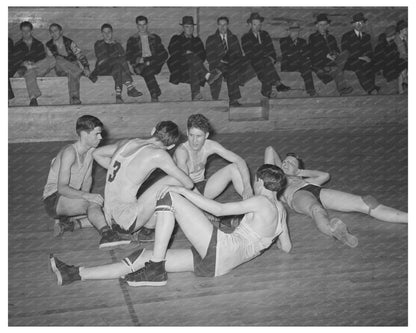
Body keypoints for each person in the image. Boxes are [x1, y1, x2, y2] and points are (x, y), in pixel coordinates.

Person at [50, 164, 292, 286]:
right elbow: (286, 247)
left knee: (170, 197)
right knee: (141, 255)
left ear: (260, 182)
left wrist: (180, 189)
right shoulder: (281, 212)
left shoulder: (260, 201)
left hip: (223, 250)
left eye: (255, 180)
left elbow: (217, 209)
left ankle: (155, 268)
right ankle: (75, 273)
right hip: (222, 265)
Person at [264, 146, 408, 248]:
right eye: (285, 161)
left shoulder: (307, 180)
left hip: (314, 189)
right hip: (296, 196)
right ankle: (334, 231)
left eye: (291, 162)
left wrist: (299, 171)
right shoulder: (277, 180)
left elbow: (325, 176)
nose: (286, 163)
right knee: (316, 209)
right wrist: (280, 167)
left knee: (366, 202)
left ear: (298, 169)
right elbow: (270, 149)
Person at [91, 121, 194, 236]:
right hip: (127, 223)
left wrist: (120, 172)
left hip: (110, 218)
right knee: (174, 180)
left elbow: (96, 153)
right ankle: (149, 228)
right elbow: (188, 184)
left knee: (150, 181)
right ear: (170, 146)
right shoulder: (159, 155)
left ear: (153, 130)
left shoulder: (127, 142)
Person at [42, 115, 130, 249]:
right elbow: (62, 188)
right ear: (84, 134)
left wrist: (85, 202)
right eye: (97, 134)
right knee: (93, 203)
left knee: (111, 209)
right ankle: (107, 235)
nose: (100, 137)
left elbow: (87, 179)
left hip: (70, 197)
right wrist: (87, 199)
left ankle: (70, 224)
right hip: (53, 199)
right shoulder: (69, 152)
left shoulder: (91, 151)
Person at [174, 114, 253, 200]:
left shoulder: (210, 146)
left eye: (198, 136)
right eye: (191, 135)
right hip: (183, 193)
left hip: (202, 187)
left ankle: (250, 202)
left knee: (234, 168)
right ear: (187, 133)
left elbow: (239, 160)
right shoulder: (182, 152)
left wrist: (247, 186)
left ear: (206, 135)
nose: (194, 141)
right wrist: (205, 204)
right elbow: (184, 184)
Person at [167, 16, 222, 101]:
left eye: (191, 27)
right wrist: (186, 53)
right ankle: (207, 75)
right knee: (191, 58)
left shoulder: (197, 40)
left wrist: (192, 56)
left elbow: (203, 55)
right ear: (183, 27)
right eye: (187, 26)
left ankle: (196, 94)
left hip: (194, 69)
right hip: (180, 68)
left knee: (193, 65)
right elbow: (172, 51)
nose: (189, 29)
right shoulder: (176, 38)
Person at [241, 12, 290, 99]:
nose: (257, 27)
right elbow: (250, 53)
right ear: (249, 25)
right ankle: (277, 83)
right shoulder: (245, 37)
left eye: (259, 25)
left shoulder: (265, 34)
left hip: (266, 62)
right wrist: (264, 56)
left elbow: (271, 48)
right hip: (253, 61)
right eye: (255, 25)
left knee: (266, 65)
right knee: (265, 62)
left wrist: (272, 57)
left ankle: (267, 92)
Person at [90, 23, 142, 104]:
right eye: (104, 32)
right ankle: (130, 87)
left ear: (112, 32)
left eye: (109, 32)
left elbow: (123, 57)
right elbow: (102, 57)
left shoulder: (117, 44)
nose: (107, 34)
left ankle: (118, 95)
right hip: (102, 68)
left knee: (118, 66)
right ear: (102, 33)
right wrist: (115, 52)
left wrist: (115, 47)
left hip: (114, 69)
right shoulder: (98, 43)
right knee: (117, 61)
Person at [45, 23, 93, 105]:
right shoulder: (48, 45)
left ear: (61, 32)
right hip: (60, 68)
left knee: (72, 72)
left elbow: (80, 55)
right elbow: (51, 61)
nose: (53, 33)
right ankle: (80, 72)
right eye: (51, 31)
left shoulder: (69, 42)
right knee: (57, 59)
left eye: (55, 31)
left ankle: (75, 99)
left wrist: (86, 67)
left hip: (73, 66)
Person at [126, 15, 168, 102]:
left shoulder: (154, 38)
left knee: (148, 68)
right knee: (147, 70)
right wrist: (137, 59)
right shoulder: (132, 39)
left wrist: (151, 60)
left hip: (154, 64)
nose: (142, 27)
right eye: (140, 25)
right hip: (141, 65)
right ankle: (155, 93)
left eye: (144, 24)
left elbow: (164, 54)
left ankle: (155, 93)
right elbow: (128, 55)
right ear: (137, 26)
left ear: (147, 25)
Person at [308, 14, 353, 96]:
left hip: (333, 61)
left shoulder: (331, 37)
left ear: (328, 25)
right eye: (320, 25)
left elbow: (336, 49)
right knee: (337, 69)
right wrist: (326, 55)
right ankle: (342, 88)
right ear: (317, 26)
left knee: (346, 52)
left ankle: (333, 68)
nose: (323, 27)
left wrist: (335, 54)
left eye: (325, 24)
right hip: (320, 62)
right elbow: (313, 52)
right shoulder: (313, 37)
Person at [11, 21, 54, 106]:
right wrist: (24, 63)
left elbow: (43, 59)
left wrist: (33, 64)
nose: (26, 33)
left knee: (52, 59)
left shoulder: (38, 44)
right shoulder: (17, 45)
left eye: (28, 31)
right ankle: (33, 98)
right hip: (26, 70)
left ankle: (30, 67)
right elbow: (15, 61)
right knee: (29, 72)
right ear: (21, 31)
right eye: (23, 31)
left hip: (38, 68)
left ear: (31, 31)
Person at [205, 16, 243, 106]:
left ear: (228, 25)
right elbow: (209, 56)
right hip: (216, 64)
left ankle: (233, 100)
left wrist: (228, 60)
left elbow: (238, 54)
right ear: (217, 26)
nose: (222, 27)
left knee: (232, 70)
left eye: (224, 25)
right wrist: (221, 62)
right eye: (220, 25)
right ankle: (215, 99)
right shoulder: (211, 39)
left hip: (231, 65)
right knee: (218, 71)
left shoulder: (233, 38)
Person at [341, 13, 380, 95]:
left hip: (364, 60)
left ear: (364, 24)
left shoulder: (366, 36)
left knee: (371, 64)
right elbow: (345, 52)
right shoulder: (346, 36)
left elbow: (369, 50)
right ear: (353, 25)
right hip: (351, 61)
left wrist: (369, 58)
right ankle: (370, 89)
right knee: (358, 66)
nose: (359, 25)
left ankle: (372, 87)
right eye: (357, 23)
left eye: (361, 23)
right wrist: (360, 58)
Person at [279, 22, 317, 97]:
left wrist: (297, 53)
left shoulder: (302, 41)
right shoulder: (283, 40)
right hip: (288, 65)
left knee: (306, 67)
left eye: (297, 31)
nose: (295, 33)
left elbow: (306, 53)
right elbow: (287, 54)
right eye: (293, 31)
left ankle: (311, 91)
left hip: (301, 64)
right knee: (305, 63)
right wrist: (300, 52)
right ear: (289, 31)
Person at [374, 26, 407, 93]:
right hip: (385, 66)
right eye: (395, 34)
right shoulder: (380, 45)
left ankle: (402, 88)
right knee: (400, 69)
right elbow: (380, 59)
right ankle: (402, 88)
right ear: (392, 35)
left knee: (404, 64)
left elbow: (396, 54)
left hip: (393, 62)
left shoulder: (392, 43)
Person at [394, 20, 408, 94]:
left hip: (405, 59)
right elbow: (401, 53)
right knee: (403, 69)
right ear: (401, 30)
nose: (408, 30)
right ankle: (401, 90)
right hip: (398, 59)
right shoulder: (396, 39)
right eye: (406, 29)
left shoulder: (407, 38)